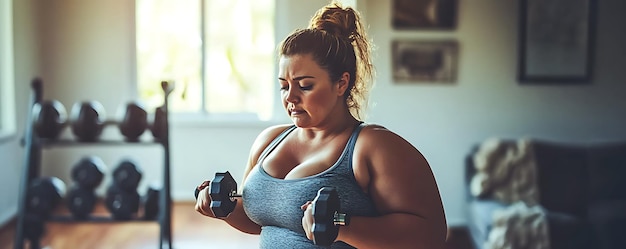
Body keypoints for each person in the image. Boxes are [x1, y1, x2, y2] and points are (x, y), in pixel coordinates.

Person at [195, 2, 447, 248]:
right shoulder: (268, 141)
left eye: (305, 85)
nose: (290, 97)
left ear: (341, 83)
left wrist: (342, 226)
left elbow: (430, 234)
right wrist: (223, 208)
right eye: (284, 85)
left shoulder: (372, 146)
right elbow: (259, 220)